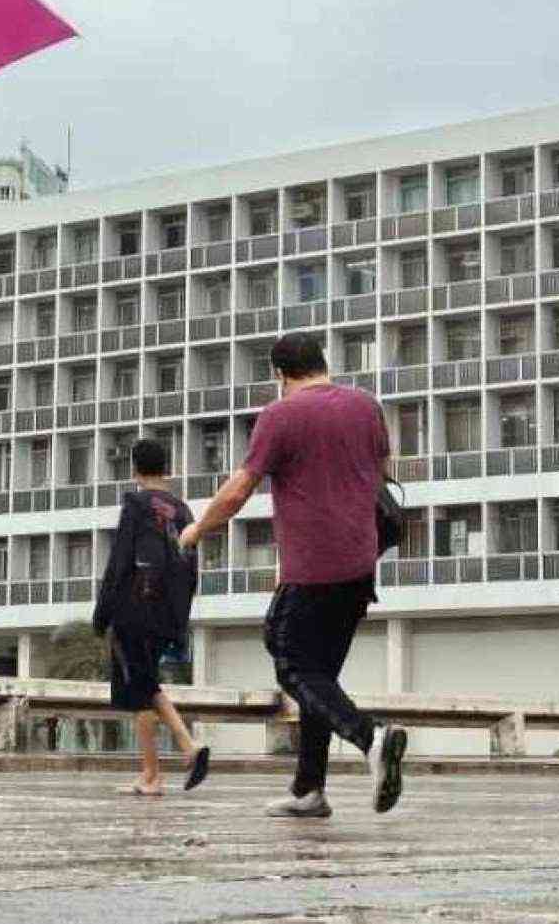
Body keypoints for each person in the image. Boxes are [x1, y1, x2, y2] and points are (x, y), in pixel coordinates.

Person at [179, 332, 407, 819]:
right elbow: (380, 469)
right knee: (319, 676)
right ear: (323, 362)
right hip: (360, 563)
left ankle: (372, 738)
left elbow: (239, 490)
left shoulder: (279, 416)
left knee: (289, 660)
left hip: (313, 566)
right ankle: (309, 790)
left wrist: (196, 530)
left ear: (279, 373)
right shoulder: (366, 407)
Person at [93, 438, 210, 797]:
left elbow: (120, 561)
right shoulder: (183, 510)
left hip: (133, 609)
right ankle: (165, 763)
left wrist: (103, 612)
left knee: (139, 689)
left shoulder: (137, 504)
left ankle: (166, 764)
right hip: (166, 613)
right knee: (144, 683)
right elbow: (190, 569)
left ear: (135, 469)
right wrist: (179, 619)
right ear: (167, 467)